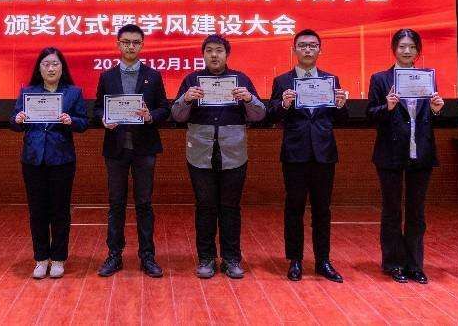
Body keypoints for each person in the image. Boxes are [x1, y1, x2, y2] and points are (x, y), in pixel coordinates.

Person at [172, 34, 266, 279]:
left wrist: (249, 99)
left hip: (233, 153)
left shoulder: (241, 80)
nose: (214, 55)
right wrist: (186, 99)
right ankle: (206, 258)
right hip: (200, 153)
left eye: (219, 50)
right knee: (205, 207)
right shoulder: (192, 80)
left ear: (227, 54)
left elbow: (260, 115)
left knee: (230, 208)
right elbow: (177, 116)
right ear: (203, 54)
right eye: (209, 50)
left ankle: (231, 258)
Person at [268, 29, 348, 283]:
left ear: (320, 50)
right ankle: (295, 260)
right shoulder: (282, 81)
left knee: (322, 209)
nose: (307, 49)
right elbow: (272, 115)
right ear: (294, 50)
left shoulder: (331, 80)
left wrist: (341, 105)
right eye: (302, 45)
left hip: (324, 152)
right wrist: (284, 104)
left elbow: (340, 119)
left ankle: (323, 260)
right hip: (295, 153)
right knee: (294, 207)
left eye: (312, 46)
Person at [366, 28, 444, 284]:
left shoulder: (427, 78)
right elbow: (370, 114)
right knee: (391, 210)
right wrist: (387, 107)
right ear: (394, 49)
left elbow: (429, 116)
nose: (407, 51)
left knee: (416, 212)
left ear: (418, 51)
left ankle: (414, 264)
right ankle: (393, 263)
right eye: (402, 46)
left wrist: (436, 110)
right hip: (390, 153)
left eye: (411, 47)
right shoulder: (380, 79)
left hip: (420, 152)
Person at [93, 24, 170, 278]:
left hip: (144, 148)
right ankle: (114, 255)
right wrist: (103, 118)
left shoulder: (153, 76)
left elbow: (164, 109)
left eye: (136, 42)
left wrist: (150, 116)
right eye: (126, 42)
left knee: (144, 203)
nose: (130, 46)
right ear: (118, 44)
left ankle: (147, 256)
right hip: (115, 149)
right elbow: (97, 109)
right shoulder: (107, 76)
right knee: (116, 204)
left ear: (142, 45)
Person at [11, 47, 88, 279]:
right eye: (46, 64)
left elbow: (84, 123)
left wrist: (71, 120)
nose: (51, 68)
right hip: (33, 159)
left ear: (62, 67)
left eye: (55, 64)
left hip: (61, 159)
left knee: (60, 211)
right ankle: (41, 258)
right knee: (37, 211)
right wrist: (18, 119)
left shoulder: (73, 92)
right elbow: (14, 123)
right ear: (39, 68)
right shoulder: (28, 92)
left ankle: (58, 258)